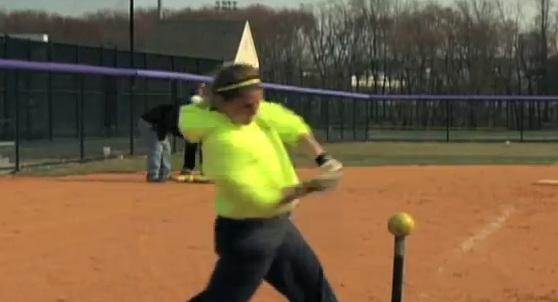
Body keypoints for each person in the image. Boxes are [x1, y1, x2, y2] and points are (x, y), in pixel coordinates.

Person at [178, 63, 343, 302]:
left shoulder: (252, 114)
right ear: (222, 102)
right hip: (247, 235)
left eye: (258, 103)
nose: (256, 111)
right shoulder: (224, 142)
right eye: (247, 105)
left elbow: (291, 124)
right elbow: (261, 199)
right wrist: (312, 186)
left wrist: (322, 157)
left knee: (315, 292)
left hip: (278, 226)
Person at [138, 103, 182, 182]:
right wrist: (183, 135)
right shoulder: (176, 110)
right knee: (156, 148)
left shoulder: (182, 111)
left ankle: (165, 174)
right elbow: (169, 124)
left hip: (159, 126)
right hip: (149, 124)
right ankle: (153, 175)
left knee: (166, 149)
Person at [181, 83, 205, 175]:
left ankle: (189, 168)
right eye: (200, 88)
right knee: (192, 147)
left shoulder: (200, 99)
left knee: (200, 148)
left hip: (197, 126)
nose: (202, 90)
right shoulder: (195, 99)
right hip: (195, 126)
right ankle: (188, 168)